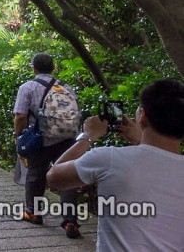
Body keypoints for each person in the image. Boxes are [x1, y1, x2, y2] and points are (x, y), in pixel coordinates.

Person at [47, 79, 184, 252]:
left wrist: (88, 136)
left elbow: (54, 177)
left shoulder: (109, 159)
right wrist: (140, 140)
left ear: (142, 117)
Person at [13, 52, 81, 238]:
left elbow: (20, 116)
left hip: (40, 139)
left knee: (35, 174)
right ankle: (71, 222)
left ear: (34, 68)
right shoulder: (65, 87)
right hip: (66, 138)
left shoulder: (27, 87)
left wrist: (18, 135)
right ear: (53, 68)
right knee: (67, 178)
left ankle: (33, 212)